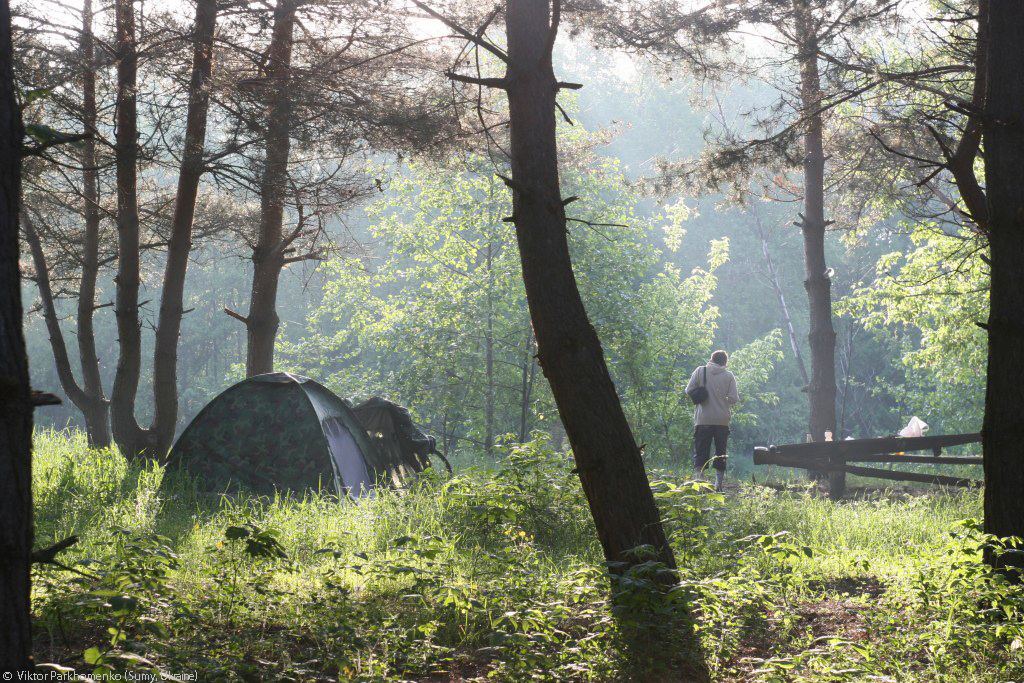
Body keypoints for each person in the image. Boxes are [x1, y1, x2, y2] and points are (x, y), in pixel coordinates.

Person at [685, 349, 739, 491]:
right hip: (722, 420)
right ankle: (718, 485)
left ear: (711, 359)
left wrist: (702, 393)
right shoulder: (729, 376)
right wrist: (722, 398)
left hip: (703, 418)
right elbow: (734, 399)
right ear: (725, 362)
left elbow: (688, 390)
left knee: (701, 451)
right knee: (721, 452)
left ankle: (700, 483)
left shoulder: (700, 371)